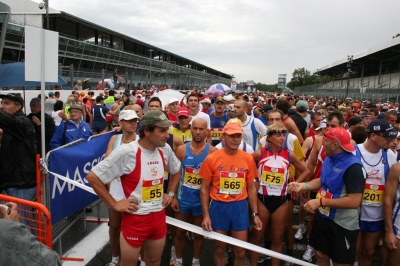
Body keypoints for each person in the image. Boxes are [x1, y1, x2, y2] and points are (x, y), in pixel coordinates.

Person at [87, 110, 181, 266]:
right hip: (135, 218)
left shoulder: (165, 149)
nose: (167, 135)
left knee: (154, 261)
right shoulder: (127, 151)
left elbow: (176, 170)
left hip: (158, 216)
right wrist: (114, 203)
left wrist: (170, 193)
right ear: (147, 131)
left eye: (167, 130)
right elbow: (93, 177)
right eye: (162, 130)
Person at [288, 127, 365, 266]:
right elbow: (323, 180)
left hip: (342, 223)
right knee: (320, 254)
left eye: (326, 140)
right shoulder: (329, 158)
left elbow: (354, 201)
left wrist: (320, 202)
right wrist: (304, 185)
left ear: (334, 145)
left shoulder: (353, 167)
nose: (322, 142)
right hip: (323, 217)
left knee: (339, 262)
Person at [200, 119, 262, 266]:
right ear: (223, 137)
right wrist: (206, 216)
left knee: (240, 251)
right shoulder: (212, 158)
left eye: (238, 136)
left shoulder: (247, 158)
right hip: (218, 207)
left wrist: (255, 214)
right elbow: (204, 188)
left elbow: (252, 187)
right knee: (220, 248)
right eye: (232, 136)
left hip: (239, 208)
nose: (235, 139)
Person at [250, 123, 309, 266]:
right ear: (269, 138)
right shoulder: (260, 153)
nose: (282, 138)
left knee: (277, 239)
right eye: (278, 135)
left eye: (283, 135)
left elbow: (306, 170)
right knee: (258, 237)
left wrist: (296, 184)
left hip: (281, 200)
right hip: (262, 199)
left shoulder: (289, 154)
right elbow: (247, 166)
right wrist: (254, 180)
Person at [174, 118, 218, 266]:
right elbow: (175, 175)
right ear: (191, 129)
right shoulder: (181, 149)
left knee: (199, 234)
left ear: (207, 132)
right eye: (195, 128)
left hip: (202, 201)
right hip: (183, 199)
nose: (198, 132)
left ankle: (195, 261)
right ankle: (178, 260)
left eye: (202, 129)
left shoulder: (212, 152)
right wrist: (172, 196)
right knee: (179, 232)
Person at [355, 119, 398, 266]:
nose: (391, 141)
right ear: (373, 136)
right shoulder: (355, 151)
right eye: (387, 137)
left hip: (377, 215)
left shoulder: (390, 155)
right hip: (356, 213)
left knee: (369, 251)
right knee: (354, 251)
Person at [104, 110, 140, 266]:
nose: (133, 123)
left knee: (135, 227)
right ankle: (115, 258)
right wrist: (110, 186)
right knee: (114, 227)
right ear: (121, 122)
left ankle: (136, 257)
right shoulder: (114, 139)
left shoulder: (141, 140)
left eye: (135, 120)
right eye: (129, 120)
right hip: (117, 189)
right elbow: (107, 164)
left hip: (134, 190)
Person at [0, 93, 36, 205]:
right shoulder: (9, 126)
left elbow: (10, 122)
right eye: (1, 102)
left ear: (18, 106)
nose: (1, 106)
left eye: (6, 103)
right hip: (11, 182)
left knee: (21, 221)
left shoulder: (22, 121)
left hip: (21, 185)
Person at [383, 162, 400, 266]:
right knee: (394, 262)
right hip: (399, 224)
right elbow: (387, 200)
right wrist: (389, 231)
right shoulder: (397, 168)